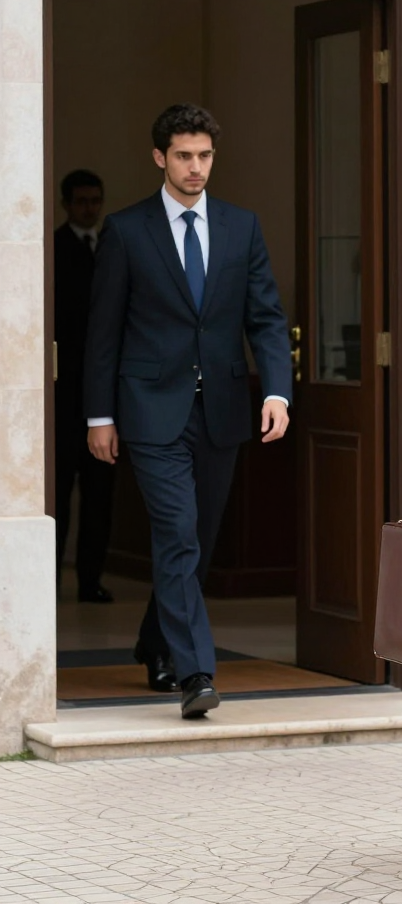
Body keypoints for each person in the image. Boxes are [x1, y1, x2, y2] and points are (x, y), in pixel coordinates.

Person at [84, 104, 292, 718]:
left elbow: (266, 316)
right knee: (176, 535)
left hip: (223, 411)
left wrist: (276, 391)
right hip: (150, 411)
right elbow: (104, 334)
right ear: (159, 158)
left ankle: (154, 642)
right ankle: (195, 672)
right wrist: (100, 416)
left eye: (204, 155)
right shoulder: (126, 231)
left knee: (195, 539)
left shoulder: (241, 227)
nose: (195, 167)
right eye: (183, 156)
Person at [54, 169, 117, 604]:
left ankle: (90, 580)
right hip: (62, 395)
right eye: (81, 201)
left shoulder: (113, 245)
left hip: (104, 397)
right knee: (57, 497)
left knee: (100, 497)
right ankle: (51, 583)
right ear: (67, 204)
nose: (89, 208)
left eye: (95, 200)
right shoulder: (53, 248)